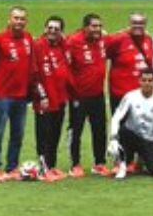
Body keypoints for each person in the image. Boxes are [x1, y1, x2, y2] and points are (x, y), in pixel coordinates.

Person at [66, 12, 110, 177]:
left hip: (98, 95)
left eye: (99, 26)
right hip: (78, 96)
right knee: (76, 130)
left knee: (100, 130)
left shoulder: (103, 40)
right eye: (93, 26)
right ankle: (75, 164)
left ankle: (100, 163)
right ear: (85, 27)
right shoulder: (73, 41)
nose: (97, 29)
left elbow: (121, 36)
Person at [31, 15, 72, 181]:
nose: (52, 31)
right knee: (44, 134)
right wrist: (42, 95)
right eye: (50, 28)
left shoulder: (63, 46)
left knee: (55, 133)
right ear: (45, 29)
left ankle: (51, 166)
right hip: (44, 100)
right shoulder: (38, 46)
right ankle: (43, 169)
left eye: (56, 29)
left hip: (60, 99)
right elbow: (33, 75)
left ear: (61, 32)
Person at [109, 69, 153, 180]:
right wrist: (113, 138)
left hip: (148, 139)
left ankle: (142, 161)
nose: (147, 83)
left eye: (150, 80)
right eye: (144, 80)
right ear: (139, 81)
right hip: (131, 136)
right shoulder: (130, 97)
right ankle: (122, 164)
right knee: (123, 130)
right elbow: (116, 118)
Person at [104, 13, 153, 111]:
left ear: (145, 25)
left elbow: (151, 63)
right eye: (135, 23)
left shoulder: (148, 39)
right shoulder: (118, 39)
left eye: (141, 23)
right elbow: (102, 55)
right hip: (121, 93)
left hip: (142, 93)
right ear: (129, 24)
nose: (138, 26)